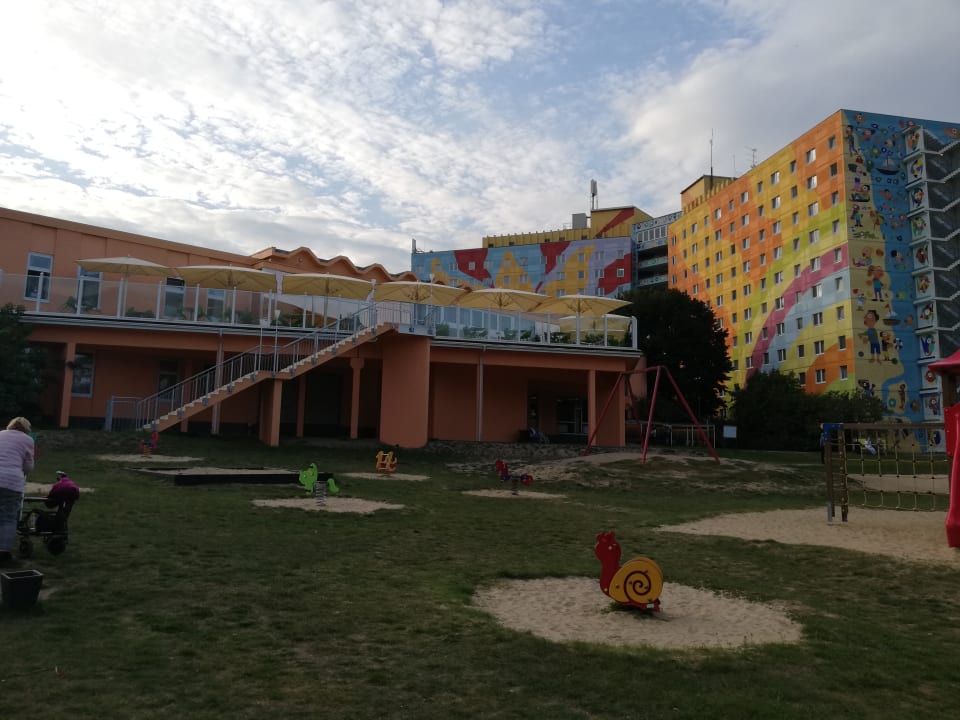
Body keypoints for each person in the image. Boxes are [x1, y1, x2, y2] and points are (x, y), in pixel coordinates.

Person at [0, 417, 35, 563]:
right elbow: (28, 467)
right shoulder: (28, 440)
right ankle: (3, 553)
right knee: (8, 517)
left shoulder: (0, 434)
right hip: (11, 482)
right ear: (26, 429)